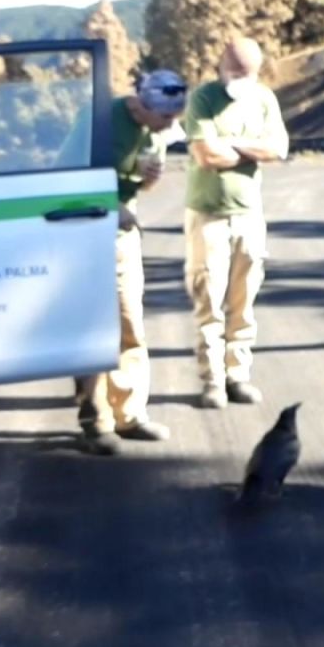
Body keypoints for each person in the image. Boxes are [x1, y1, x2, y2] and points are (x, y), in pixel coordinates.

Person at [76, 69, 189, 456]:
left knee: (130, 324)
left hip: (123, 238)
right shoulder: (100, 122)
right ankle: (96, 422)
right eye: (166, 119)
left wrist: (150, 180)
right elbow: (69, 178)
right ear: (141, 106)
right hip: (86, 233)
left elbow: (139, 183)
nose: (171, 126)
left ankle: (129, 413)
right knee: (94, 328)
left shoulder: (155, 131)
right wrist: (113, 205)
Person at [182, 37, 289, 409]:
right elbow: (206, 154)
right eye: (235, 73)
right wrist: (250, 147)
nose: (241, 80)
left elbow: (279, 148)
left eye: (248, 74)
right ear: (221, 67)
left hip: (249, 215)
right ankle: (212, 378)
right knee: (208, 298)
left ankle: (237, 374)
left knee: (244, 300)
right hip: (208, 215)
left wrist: (235, 145)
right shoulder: (204, 99)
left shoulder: (263, 99)